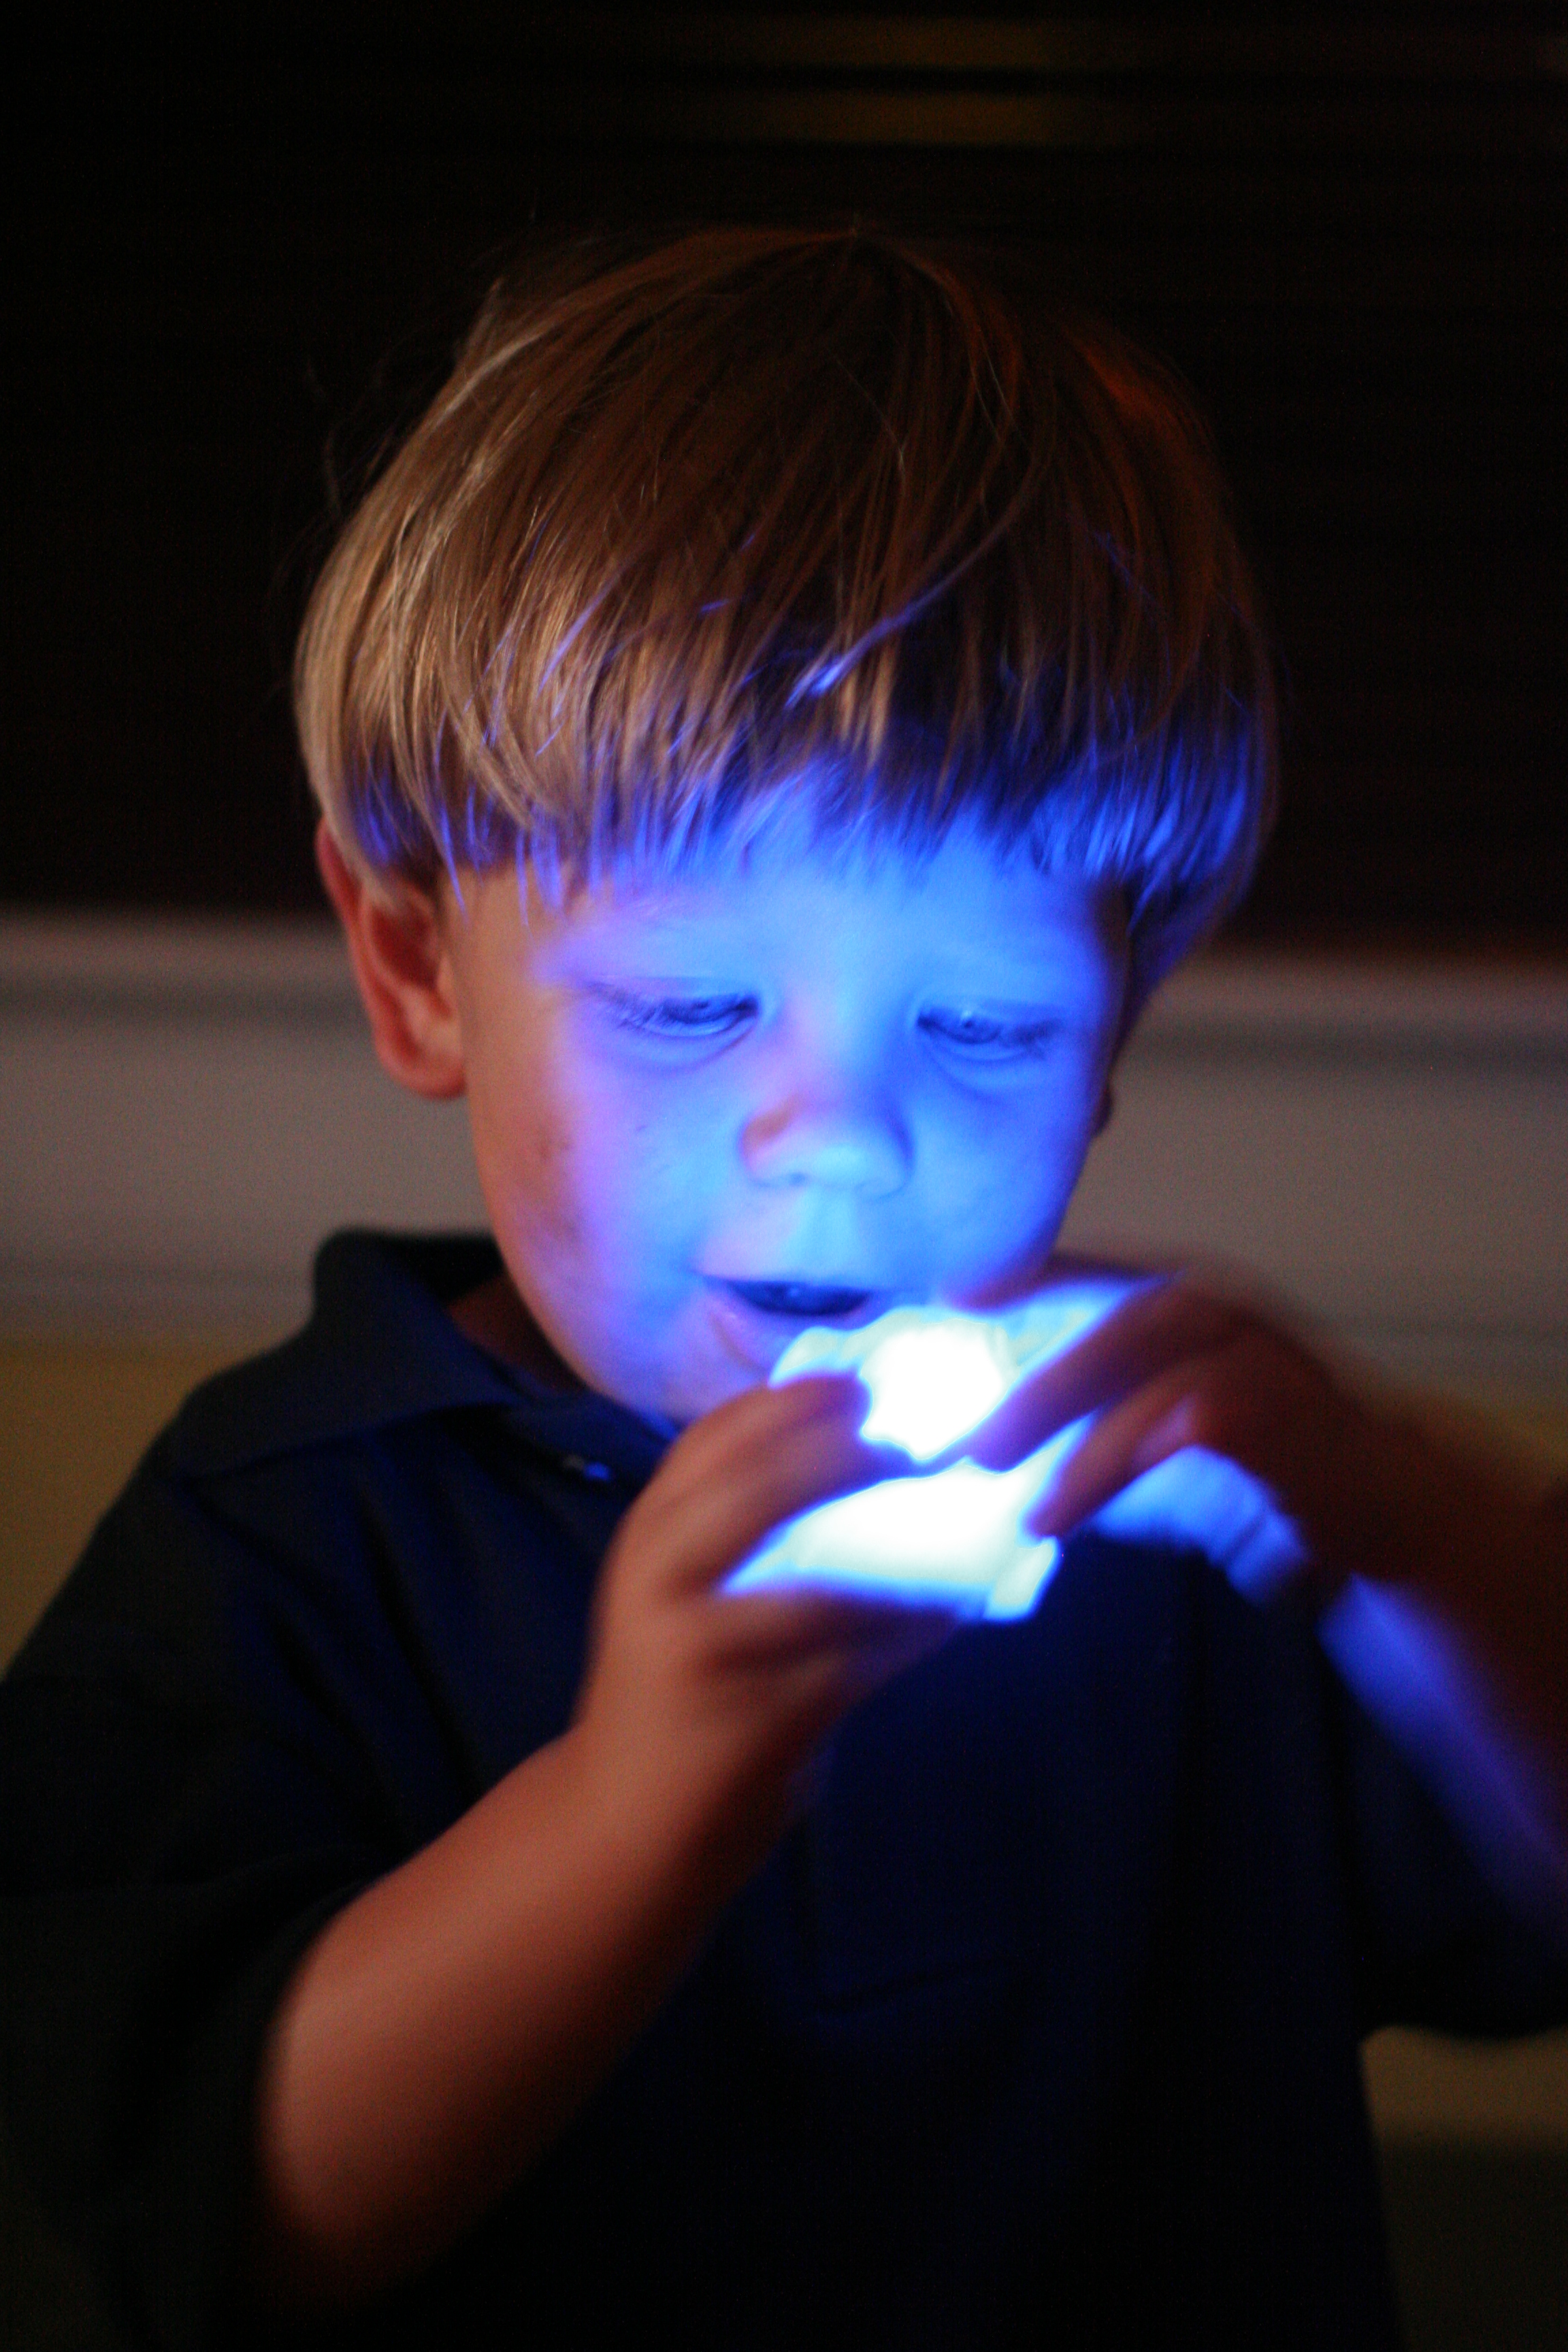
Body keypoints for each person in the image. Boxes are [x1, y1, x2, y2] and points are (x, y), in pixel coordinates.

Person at [3, 226, 1566, 2352]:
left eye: (986, 1028)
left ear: (1115, 1033)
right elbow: (223, 2209)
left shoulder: (1185, 1508)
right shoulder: (284, 1545)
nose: (841, 1137)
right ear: (415, 965)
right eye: (690, 1002)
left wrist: (1406, 1516)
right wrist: (630, 1808)